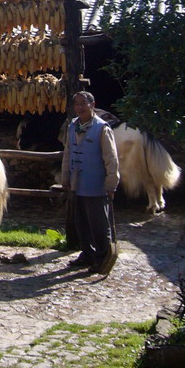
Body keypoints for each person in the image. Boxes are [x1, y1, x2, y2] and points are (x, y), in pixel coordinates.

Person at [60, 91, 120, 273]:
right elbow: (68, 153)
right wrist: (65, 178)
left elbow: (111, 159)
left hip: (95, 184)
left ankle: (103, 258)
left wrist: (111, 183)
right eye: (76, 104)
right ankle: (87, 254)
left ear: (92, 105)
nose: (79, 107)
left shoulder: (102, 128)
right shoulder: (72, 126)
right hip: (77, 182)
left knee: (99, 224)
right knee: (81, 222)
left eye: (83, 103)